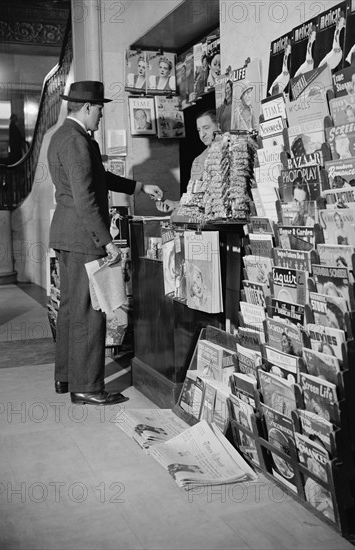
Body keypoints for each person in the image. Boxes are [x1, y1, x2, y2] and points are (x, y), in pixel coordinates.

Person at [48, 80, 163, 405]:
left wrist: (139, 187)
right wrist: (107, 241)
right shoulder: (77, 141)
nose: (101, 115)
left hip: (67, 234)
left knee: (71, 308)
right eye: (100, 109)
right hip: (83, 237)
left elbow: (98, 176)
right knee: (89, 312)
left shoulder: (64, 137)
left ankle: (66, 376)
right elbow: (86, 198)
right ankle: (87, 387)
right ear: (87, 108)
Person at [156, 110, 219, 213]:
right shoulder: (199, 160)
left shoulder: (232, 151)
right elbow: (194, 197)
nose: (202, 134)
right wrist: (176, 204)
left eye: (206, 128)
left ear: (218, 126)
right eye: (199, 130)